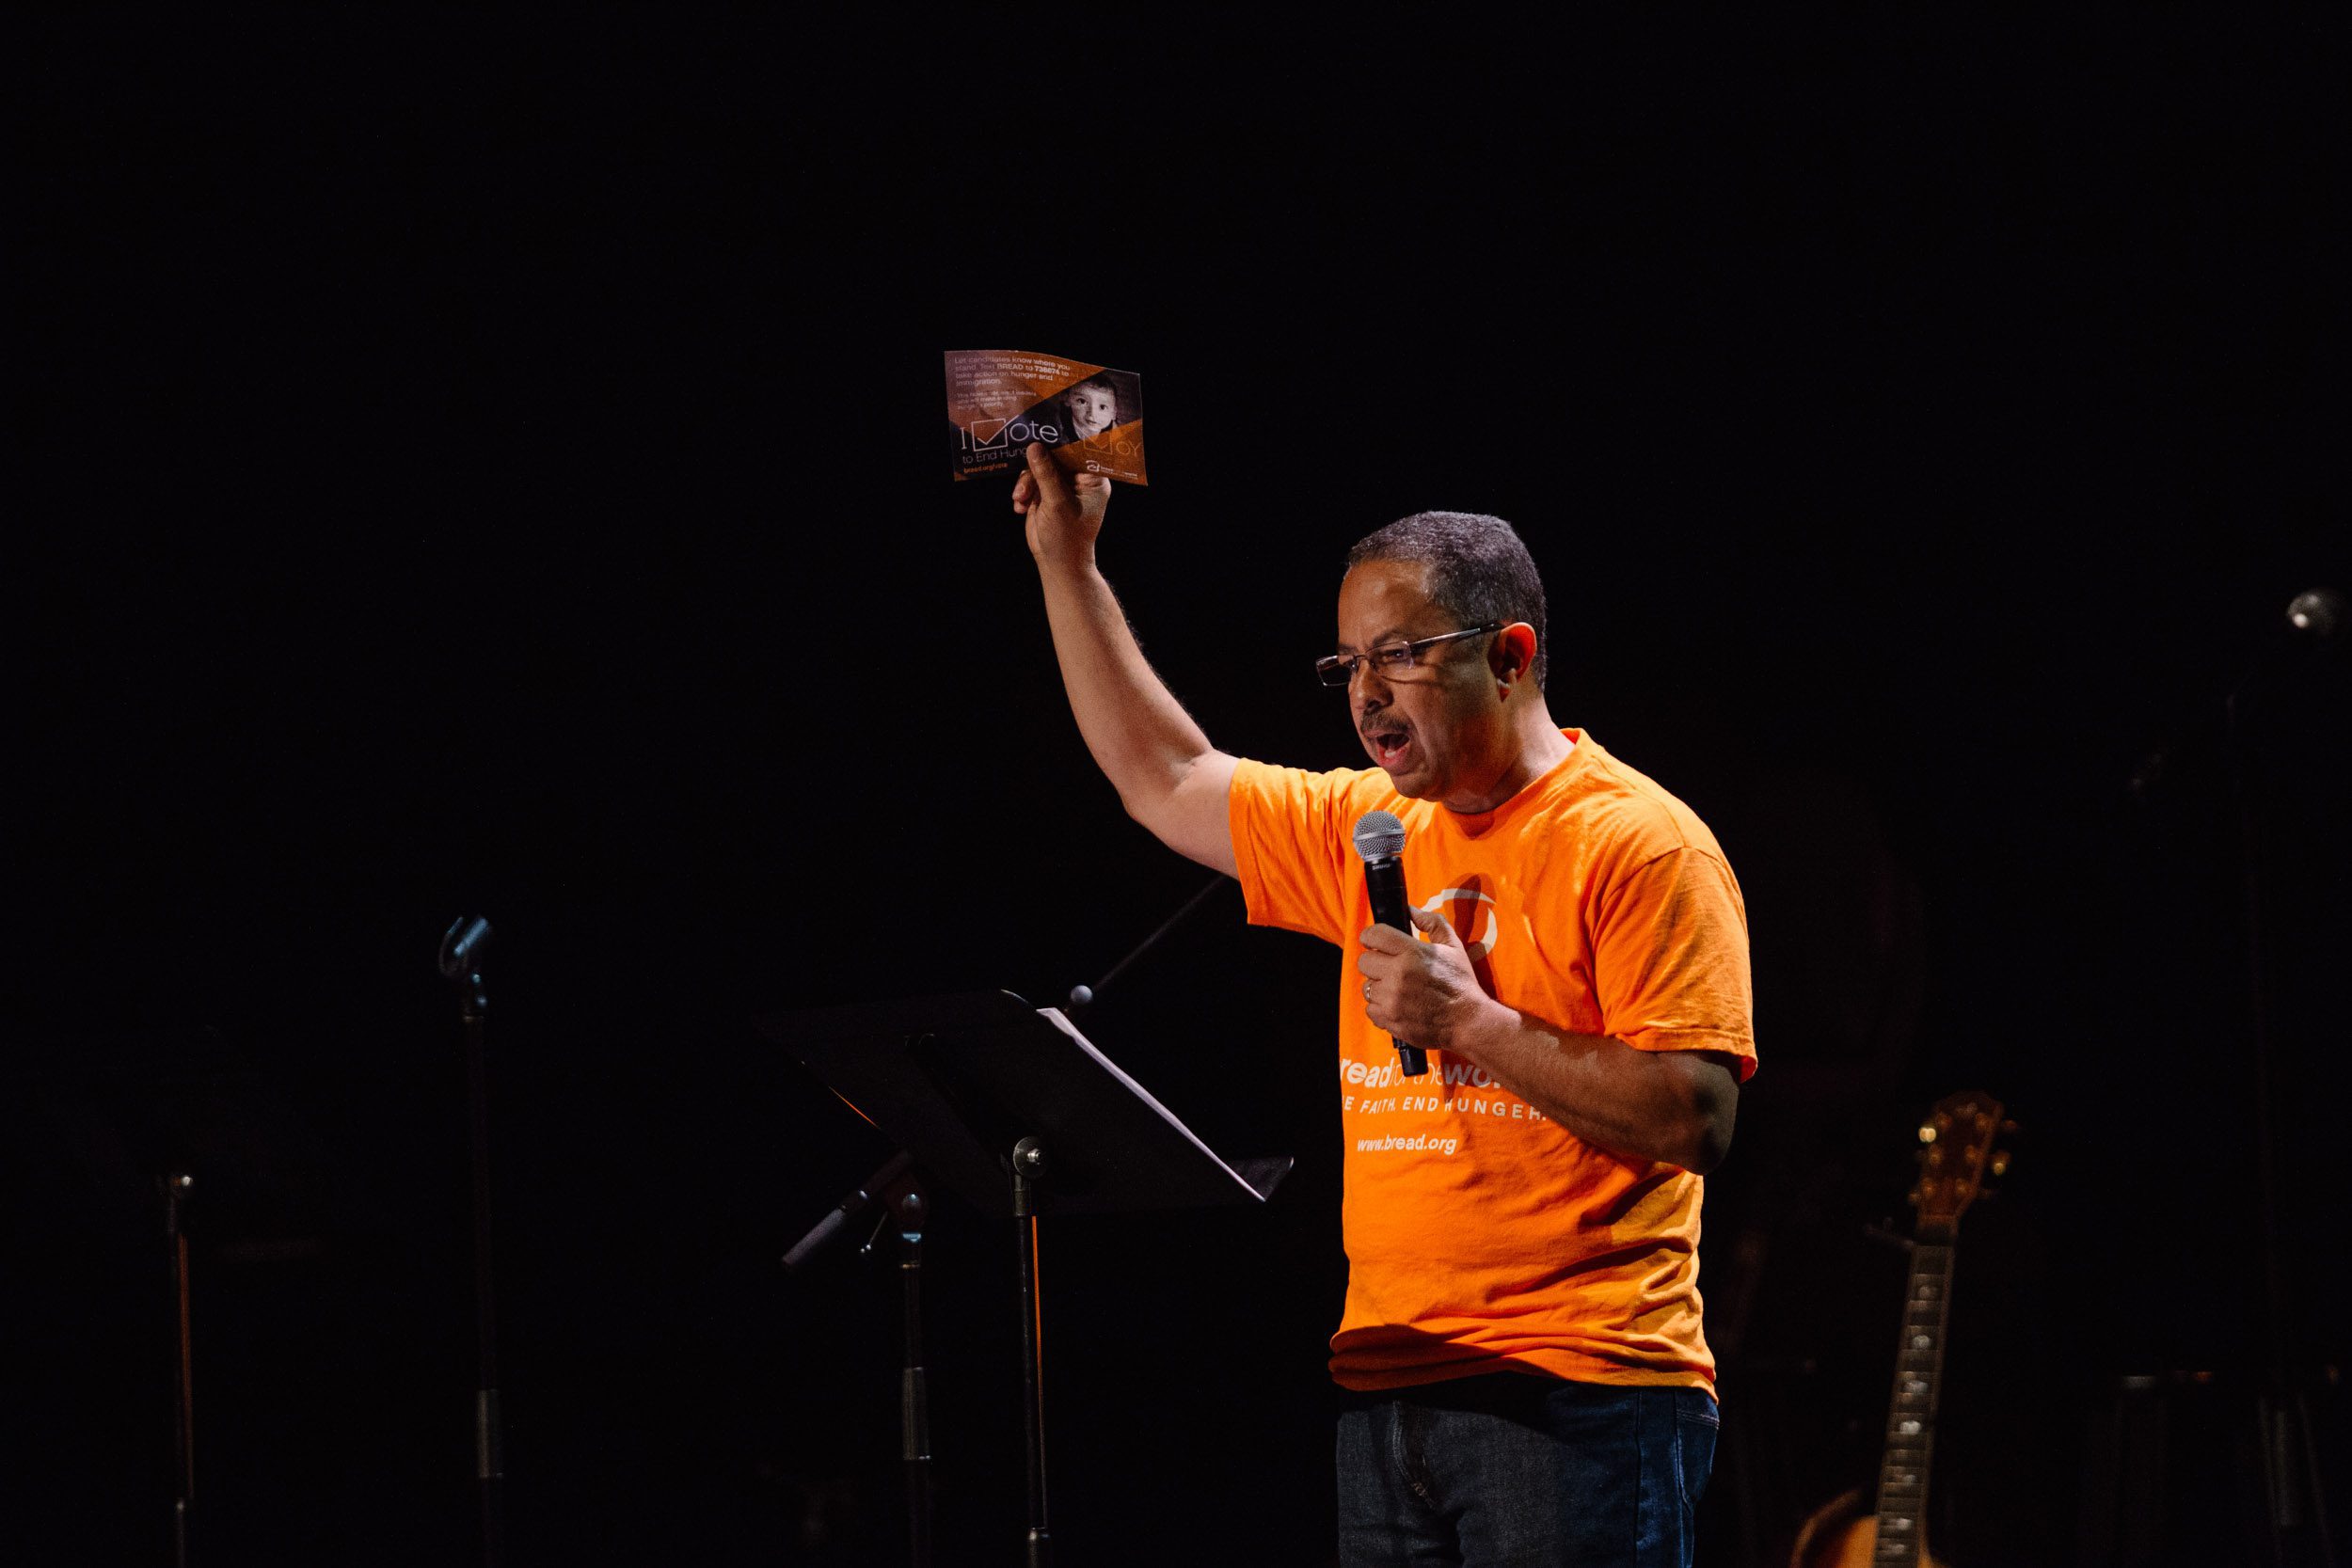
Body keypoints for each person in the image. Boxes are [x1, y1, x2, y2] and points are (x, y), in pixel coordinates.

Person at [1011, 443, 1756, 1567]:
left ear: (1510, 658)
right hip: (1387, 1383)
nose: (1364, 694)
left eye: (1400, 656)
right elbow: (1162, 776)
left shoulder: (1639, 843)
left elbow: (1695, 1115)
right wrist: (1067, 561)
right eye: (1349, 662)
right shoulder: (1366, 825)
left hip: (1576, 1393)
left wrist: (1472, 1022)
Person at [1064, 377, 1120, 441]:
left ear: (1113, 413)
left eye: (1102, 407)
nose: (1092, 413)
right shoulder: (1058, 426)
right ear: (1067, 400)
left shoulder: (1115, 436)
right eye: (1082, 401)